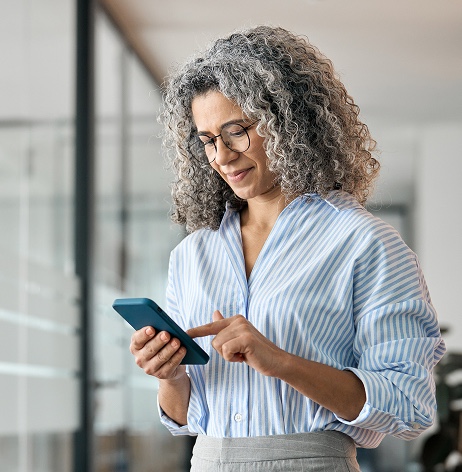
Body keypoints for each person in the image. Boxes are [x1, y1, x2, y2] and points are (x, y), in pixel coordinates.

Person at [130, 25, 446, 471]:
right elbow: (185, 419)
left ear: (288, 122)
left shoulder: (364, 243)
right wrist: (171, 374)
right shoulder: (191, 255)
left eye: (236, 130)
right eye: (207, 141)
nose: (221, 156)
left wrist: (281, 362)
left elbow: (408, 407)